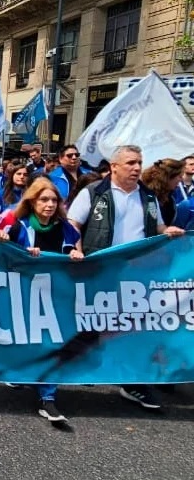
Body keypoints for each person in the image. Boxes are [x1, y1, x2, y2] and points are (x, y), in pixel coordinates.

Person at [67, 145, 186, 410]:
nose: (136, 168)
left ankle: (133, 383)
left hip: (136, 273)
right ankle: (76, 368)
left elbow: (157, 228)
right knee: (94, 322)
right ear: (114, 167)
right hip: (101, 268)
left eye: (139, 162)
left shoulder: (148, 196)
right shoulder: (94, 193)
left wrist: (170, 231)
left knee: (132, 327)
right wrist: (76, 248)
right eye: (130, 162)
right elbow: (72, 224)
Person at [0, 177, 84, 423]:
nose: (50, 204)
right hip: (25, 294)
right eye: (44, 199)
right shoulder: (19, 225)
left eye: (54, 200)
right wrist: (10, 243)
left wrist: (76, 253)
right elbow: (0, 250)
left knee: (53, 343)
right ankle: (23, 373)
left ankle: (48, 398)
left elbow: (77, 249)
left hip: (56, 295)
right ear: (32, 201)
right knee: (27, 341)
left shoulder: (65, 227)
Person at [141, 158, 184, 228]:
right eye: (180, 176)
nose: (181, 180)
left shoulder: (170, 200)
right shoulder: (144, 196)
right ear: (168, 177)